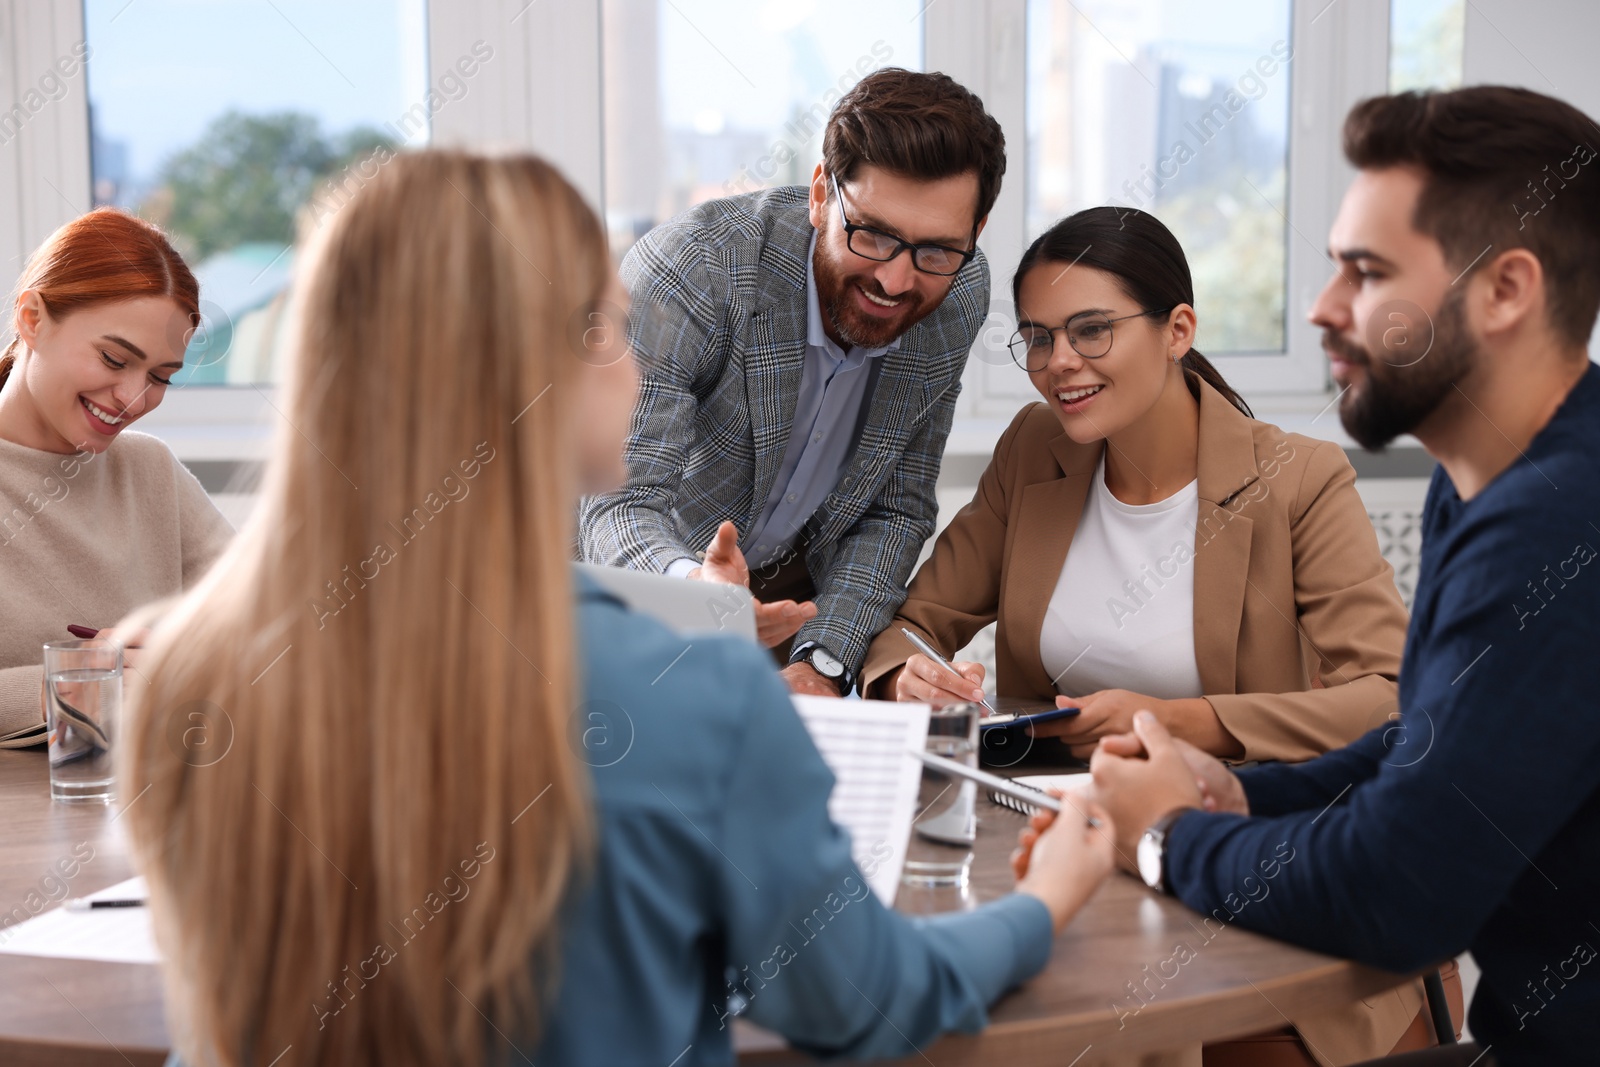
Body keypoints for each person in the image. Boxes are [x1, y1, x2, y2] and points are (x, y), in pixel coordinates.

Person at [117, 150, 1114, 1067]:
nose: (640, 369)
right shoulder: (699, 694)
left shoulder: (180, 674)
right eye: (614, 328)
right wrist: (1044, 900)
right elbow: (869, 1002)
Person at [1063, 86, 1600, 1067]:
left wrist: (1167, 837)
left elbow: (1397, 893)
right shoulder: (1484, 478)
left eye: (1364, 271)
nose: (1321, 307)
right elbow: (1432, 744)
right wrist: (1239, 790)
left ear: (1505, 289)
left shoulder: (1556, 519)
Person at [862, 207, 1432, 1062]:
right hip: (1069, 851)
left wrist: (1182, 722)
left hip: (1243, 859)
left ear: (1178, 330)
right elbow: (916, 624)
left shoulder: (1298, 480)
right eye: (1039, 339)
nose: (1060, 365)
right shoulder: (1034, 451)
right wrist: (909, 675)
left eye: (1091, 331)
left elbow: (1393, 698)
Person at [577, 67, 1006, 698]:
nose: (896, 282)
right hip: (628, 601)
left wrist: (824, 666)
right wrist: (698, 599)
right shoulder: (695, 268)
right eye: (873, 235)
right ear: (819, 195)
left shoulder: (960, 293)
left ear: (975, 232)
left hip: (793, 606)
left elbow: (895, 508)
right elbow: (620, 502)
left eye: (936, 251)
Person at [0, 208, 232, 744]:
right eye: (112, 358)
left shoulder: (150, 470)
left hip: (145, 807)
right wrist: (70, 686)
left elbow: (271, 630)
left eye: (159, 377)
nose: (133, 399)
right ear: (32, 319)